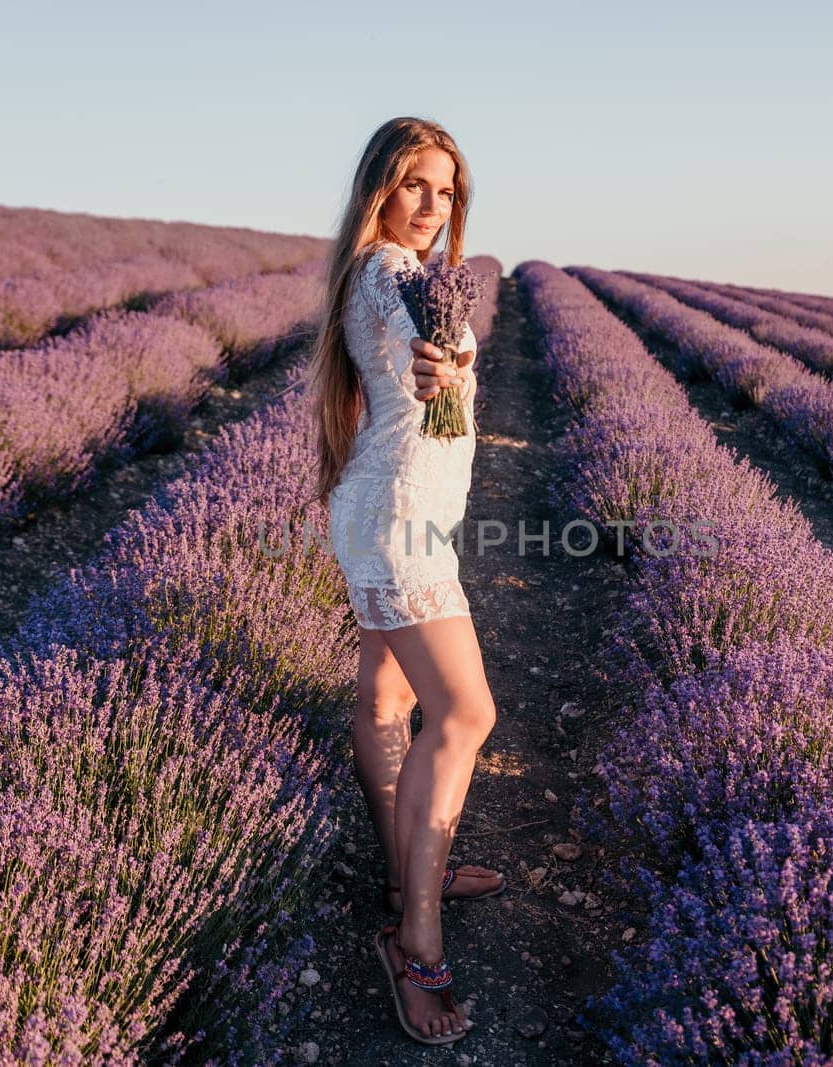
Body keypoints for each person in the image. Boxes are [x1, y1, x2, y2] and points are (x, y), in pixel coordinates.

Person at [306, 116, 504, 1046]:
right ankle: (414, 940)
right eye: (416, 184)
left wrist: (440, 359)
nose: (432, 206)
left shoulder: (391, 274)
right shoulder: (391, 278)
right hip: (399, 530)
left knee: (385, 699)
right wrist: (437, 366)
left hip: (396, 514)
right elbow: (422, 352)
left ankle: (406, 873)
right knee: (465, 715)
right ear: (380, 188)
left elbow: (428, 352)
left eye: (447, 190)